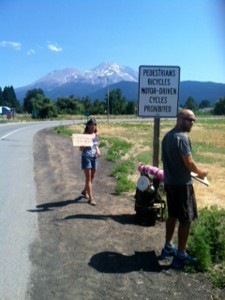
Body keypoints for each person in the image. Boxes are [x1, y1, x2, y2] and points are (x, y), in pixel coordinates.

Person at [160, 109, 208, 268]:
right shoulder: (182, 137)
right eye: (190, 119)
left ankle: (167, 246)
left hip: (170, 183)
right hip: (182, 186)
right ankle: (180, 255)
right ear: (180, 118)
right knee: (186, 220)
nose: (192, 123)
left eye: (194, 120)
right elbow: (189, 162)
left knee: (172, 215)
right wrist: (201, 173)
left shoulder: (167, 136)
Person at [80, 118, 100, 206]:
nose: (93, 126)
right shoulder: (84, 135)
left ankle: (85, 191)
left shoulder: (95, 135)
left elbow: (96, 145)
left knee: (91, 177)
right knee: (88, 178)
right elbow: (80, 148)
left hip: (94, 157)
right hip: (86, 157)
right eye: (92, 124)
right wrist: (85, 144)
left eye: (95, 124)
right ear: (88, 126)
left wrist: (98, 150)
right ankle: (91, 198)